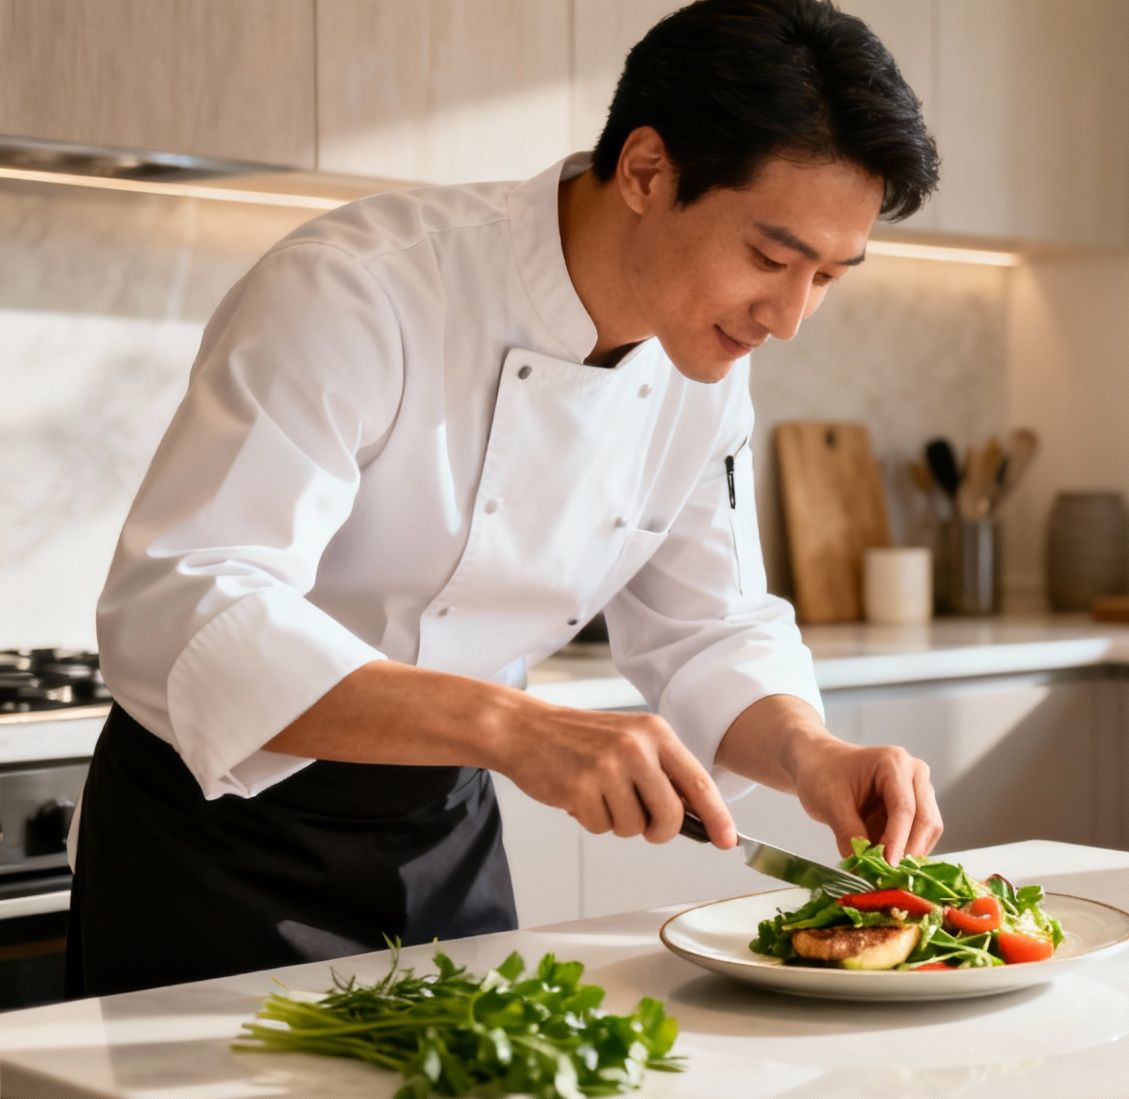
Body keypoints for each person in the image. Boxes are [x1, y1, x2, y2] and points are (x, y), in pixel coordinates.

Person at [67, 0, 945, 997]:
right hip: (218, 849)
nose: (789, 318)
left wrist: (811, 751)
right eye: (771, 259)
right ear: (648, 171)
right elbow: (184, 604)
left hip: (443, 837)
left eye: (828, 276)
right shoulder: (360, 289)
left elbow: (708, 627)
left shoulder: (707, 368)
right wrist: (509, 727)